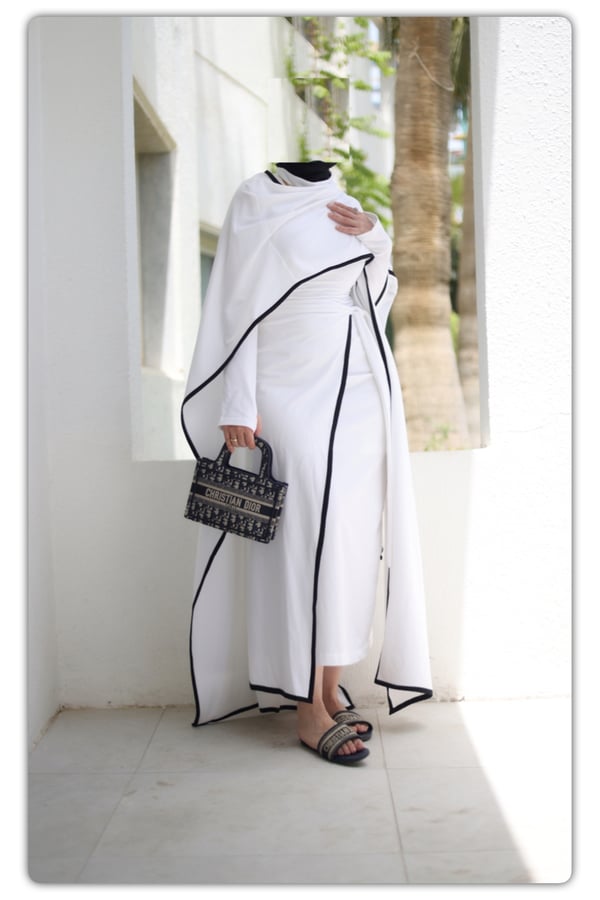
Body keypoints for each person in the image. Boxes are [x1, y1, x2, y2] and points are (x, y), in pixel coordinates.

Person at [181, 160, 432, 765]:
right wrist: (237, 400)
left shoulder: (343, 204)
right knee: (302, 539)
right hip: (287, 384)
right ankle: (304, 706)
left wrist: (376, 236)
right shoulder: (255, 201)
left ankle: (329, 688)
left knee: (350, 541)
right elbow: (236, 303)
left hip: (361, 388)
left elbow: (373, 295)